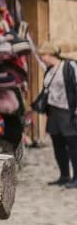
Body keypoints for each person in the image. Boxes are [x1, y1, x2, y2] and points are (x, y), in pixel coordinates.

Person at [39, 42, 77, 188]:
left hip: (68, 110)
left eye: (43, 54)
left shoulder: (69, 67)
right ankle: (64, 175)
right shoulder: (49, 70)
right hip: (53, 112)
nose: (42, 57)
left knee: (73, 144)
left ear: (49, 54)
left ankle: (76, 177)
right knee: (58, 144)